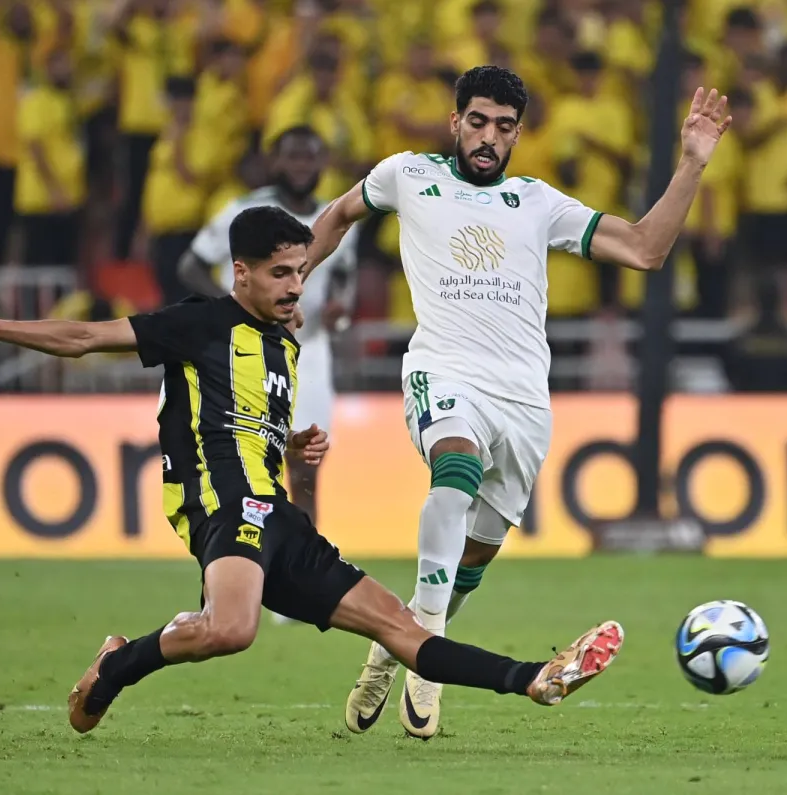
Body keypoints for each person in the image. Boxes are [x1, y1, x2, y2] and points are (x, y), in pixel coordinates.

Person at [0, 205, 624, 736]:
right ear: (240, 272)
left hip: (275, 515)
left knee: (399, 628)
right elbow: (85, 337)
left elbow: (250, 432)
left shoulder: (284, 346)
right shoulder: (198, 323)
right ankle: (118, 664)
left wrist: (293, 453)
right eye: (280, 273)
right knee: (234, 628)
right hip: (223, 506)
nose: (294, 286)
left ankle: (534, 679)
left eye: (301, 272)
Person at [305, 65, 730, 738]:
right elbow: (337, 215)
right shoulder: (406, 174)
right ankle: (428, 658)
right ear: (455, 122)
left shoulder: (537, 202)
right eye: (477, 122)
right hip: (444, 370)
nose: (488, 137)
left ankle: (394, 646)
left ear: (518, 134)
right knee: (455, 468)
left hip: (525, 399)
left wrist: (692, 164)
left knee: (474, 557)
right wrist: (296, 277)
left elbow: (645, 250)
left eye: (504, 127)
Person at [179, 126, 357, 525]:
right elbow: (191, 266)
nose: (301, 166)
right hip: (249, 349)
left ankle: (304, 553)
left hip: (308, 349)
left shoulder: (338, 217)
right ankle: (241, 548)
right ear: (274, 161)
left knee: (306, 465)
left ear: (323, 163)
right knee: (247, 460)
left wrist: (340, 307)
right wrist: (231, 311)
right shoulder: (244, 211)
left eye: (309, 157)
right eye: (292, 156)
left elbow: (344, 274)